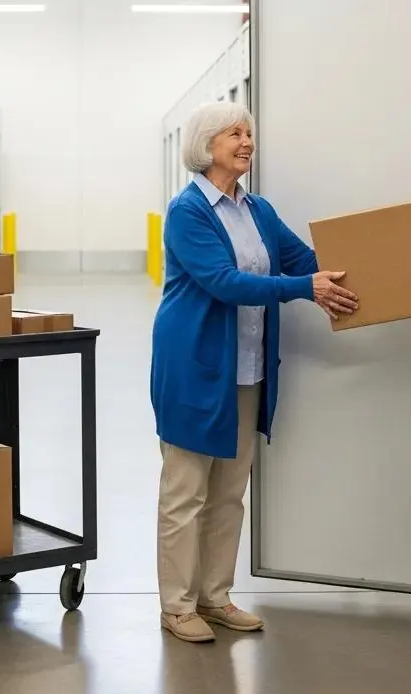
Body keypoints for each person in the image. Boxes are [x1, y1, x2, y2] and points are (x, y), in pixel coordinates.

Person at [151, 101, 358, 644]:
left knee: (229, 491)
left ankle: (214, 597)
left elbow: (303, 260)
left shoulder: (258, 210)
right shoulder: (188, 211)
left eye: (249, 133)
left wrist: (373, 265)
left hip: (247, 369)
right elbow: (224, 282)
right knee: (186, 492)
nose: (247, 142)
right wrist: (304, 290)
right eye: (234, 134)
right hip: (196, 366)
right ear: (206, 145)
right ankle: (177, 606)